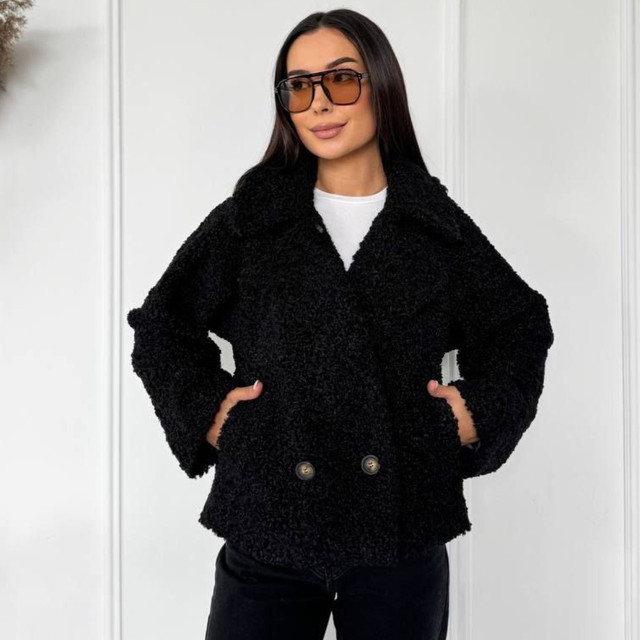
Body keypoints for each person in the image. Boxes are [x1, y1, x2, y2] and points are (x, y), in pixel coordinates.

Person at [127, 9, 554, 640]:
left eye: (342, 78)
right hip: (269, 518)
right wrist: (210, 412)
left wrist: (474, 414)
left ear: (382, 85)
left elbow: (519, 326)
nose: (320, 103)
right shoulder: (253, 217)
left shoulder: (432, 225)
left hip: (401, 523)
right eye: (299, 86)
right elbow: (162, 325)